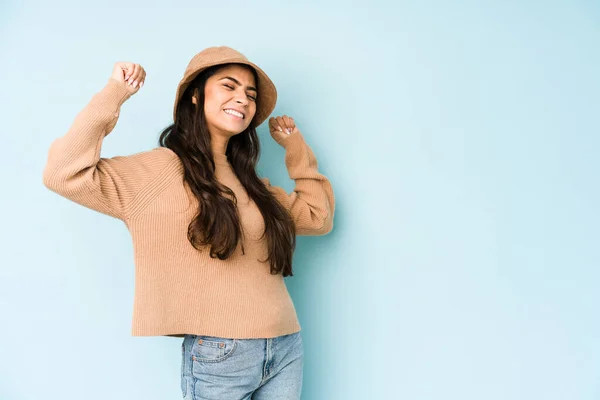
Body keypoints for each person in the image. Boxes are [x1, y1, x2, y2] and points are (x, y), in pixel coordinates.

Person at [42, 46, 335, 399]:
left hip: (286, 344)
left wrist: (295, 147)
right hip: (221, 353)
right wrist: (114, 94)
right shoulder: (160, 170)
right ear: (196, 96)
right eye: (229, 86)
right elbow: (62, 173)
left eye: (250, 94)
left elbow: (318, 218)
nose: (242, 98)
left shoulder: (251, 182)